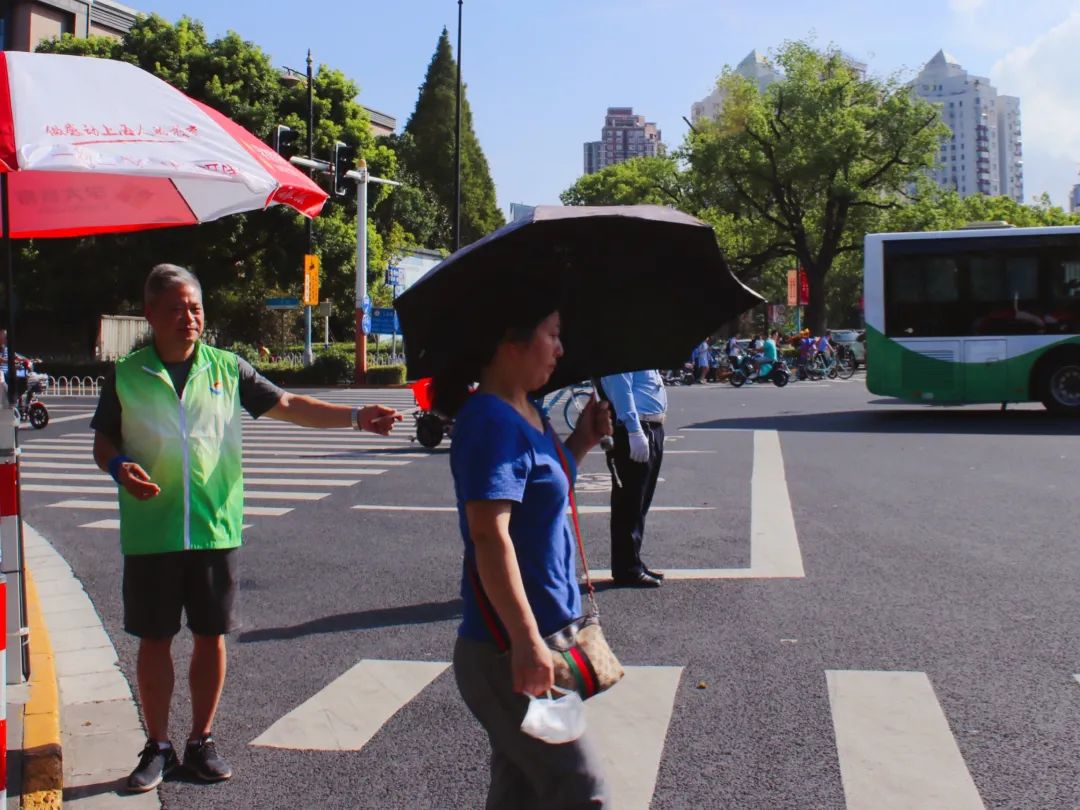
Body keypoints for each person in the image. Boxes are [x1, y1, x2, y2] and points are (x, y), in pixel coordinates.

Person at [90, 264, 403, 793]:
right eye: (176, 308)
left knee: (211, 637)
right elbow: (104, 443)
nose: (189, 318)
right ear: (151, 314)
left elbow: (287, 404)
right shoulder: (127, 374)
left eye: (195, 308)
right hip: (152, 531)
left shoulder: (226, 368)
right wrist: (119, 468)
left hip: (214, 529)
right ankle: (158, 745)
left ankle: (201, 740)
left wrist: (354, 417)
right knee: (154, 639)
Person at [434, 287, 613, 808]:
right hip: (507, 649)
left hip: (546, 634)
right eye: (553, 335)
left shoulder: (528, 411)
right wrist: (528, 641)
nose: (561, 349)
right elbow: (490, 536)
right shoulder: (489, 422)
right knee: (583, 792)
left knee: (520, 794)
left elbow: (544, 499)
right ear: (511, 341)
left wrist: (580, 441)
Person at [599, 368, 668, 588]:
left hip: (651, 427)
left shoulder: (639, 354)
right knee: (629, 501)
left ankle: (633, 560)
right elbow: (621, 391)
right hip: (636, 428)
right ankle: (627, 568)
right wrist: (634, 430)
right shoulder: (621, 356)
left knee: (640, 502)